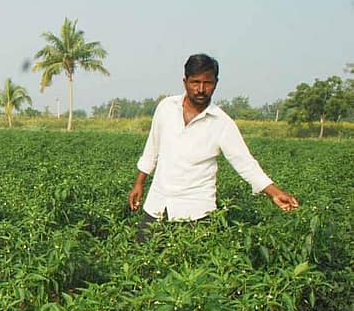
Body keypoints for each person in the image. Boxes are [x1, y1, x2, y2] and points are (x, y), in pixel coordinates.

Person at [128, 53, 298, 240]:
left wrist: (275, 193)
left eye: (207, 83)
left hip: (196, 214)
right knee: (144, 259)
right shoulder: (166, 107)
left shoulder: (222, 123)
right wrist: (139, 183)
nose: (201, 89)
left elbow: (245, 163)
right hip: (157, 206)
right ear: (185, 81)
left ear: (216, 83)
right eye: (195, 82)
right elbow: (152, 148)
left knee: (193, 266)